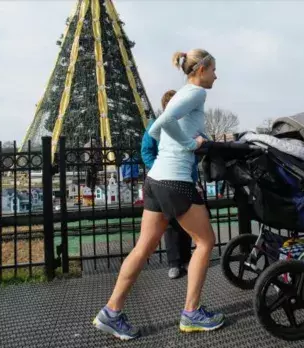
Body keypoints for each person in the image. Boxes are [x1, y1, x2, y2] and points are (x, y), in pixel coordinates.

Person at [93, 49, 223, 340]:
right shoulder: (196, 94)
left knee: (143, 247)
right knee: (205, 242)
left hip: (155, 180)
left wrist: (179, 143)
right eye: (214, 69)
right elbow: (162, 124)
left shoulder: (179, 95)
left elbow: (154, 132)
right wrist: (190, 144)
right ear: (201, 69)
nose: (217, 75)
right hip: (175, 181)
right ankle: (192, 312)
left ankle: (112, 312)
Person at [142, 89, 194, 279]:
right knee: (171, 224)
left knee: (186, 221)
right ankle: (174, 262)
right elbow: (147, 151)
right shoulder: (155, 125)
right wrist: (161, 168)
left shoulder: (185, 125)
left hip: (185, 179)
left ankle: (186, 259)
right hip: (164, 180)